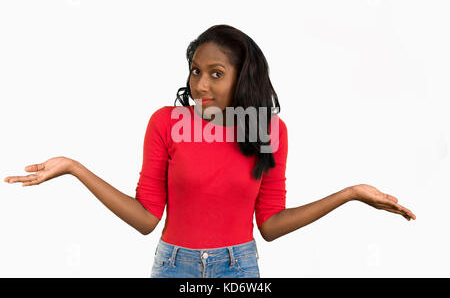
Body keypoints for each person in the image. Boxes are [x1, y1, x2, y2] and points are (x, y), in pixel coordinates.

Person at [3, 24, 416, 278]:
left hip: (240, 267)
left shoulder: (269, 130)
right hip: (172, 266)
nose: (200, 85)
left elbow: (270, 225)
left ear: (243, 77)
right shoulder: (166, 123)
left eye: (216, 74)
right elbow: (147, 219)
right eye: (196, 71)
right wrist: (75, 168)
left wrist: (349, 195)